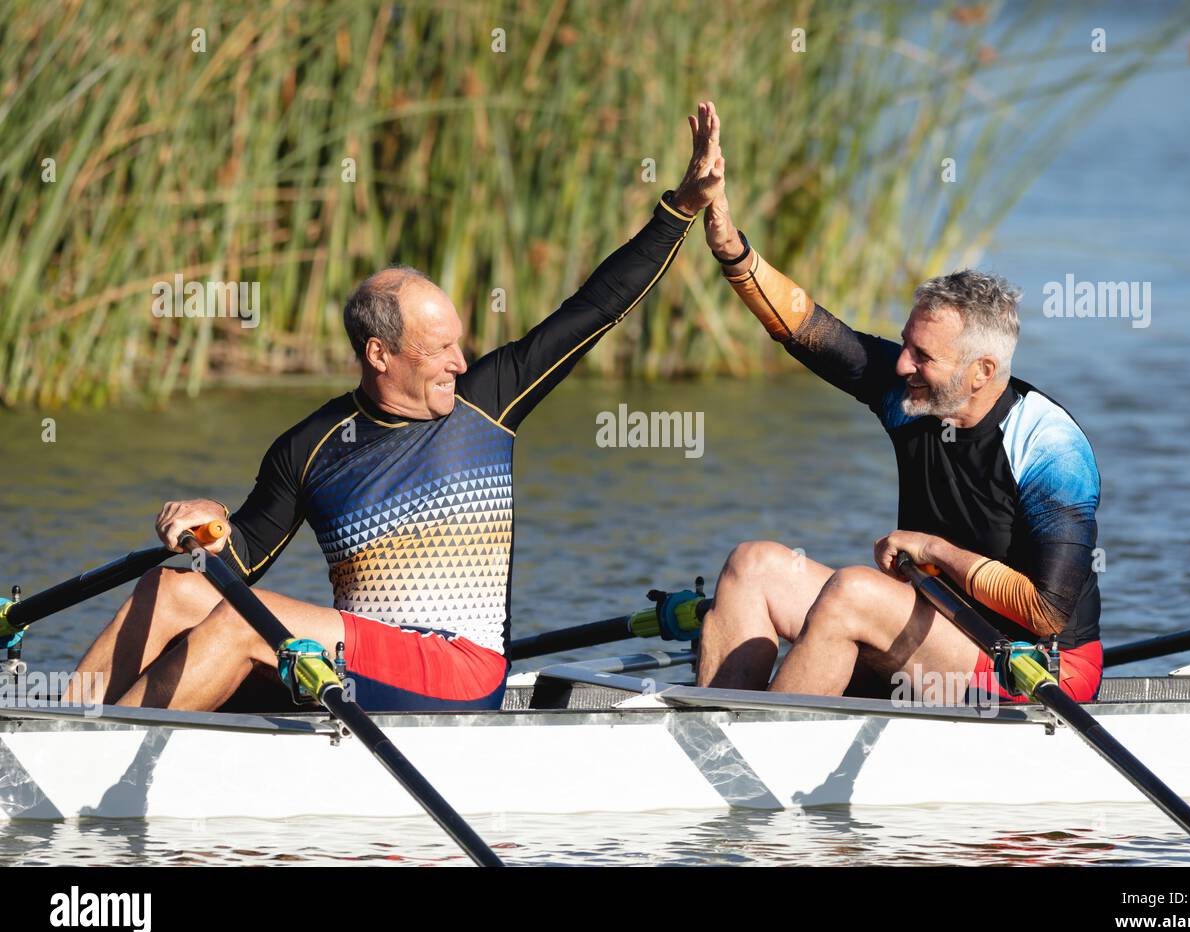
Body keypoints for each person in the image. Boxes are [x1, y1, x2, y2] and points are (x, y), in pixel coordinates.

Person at [65, 103, 727, 713]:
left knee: (238, 621)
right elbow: (236, 565)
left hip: (460, 669)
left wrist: (682, 206)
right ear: (380, 354)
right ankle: (60, 729)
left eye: (460, 345)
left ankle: (98, 750)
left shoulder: (489, 403)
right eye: (440, 350)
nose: (461, 363)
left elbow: (595, 306)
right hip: (361, 664)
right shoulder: (311, 445)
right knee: (170, 591)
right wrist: (209, 524)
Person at [695, 122, 1102, 705]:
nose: (903, 364)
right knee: (751, 565)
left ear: (982, 371)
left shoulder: (1050, 447)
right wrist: (729, 245)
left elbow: (1047, 612)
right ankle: (714, 731)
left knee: (856, 591)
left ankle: (764, 750)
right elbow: (805, 328)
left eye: (923, 355)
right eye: (905, 344)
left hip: (1034, 666)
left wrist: (934, 550)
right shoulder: (911, 394)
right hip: (930, 625)